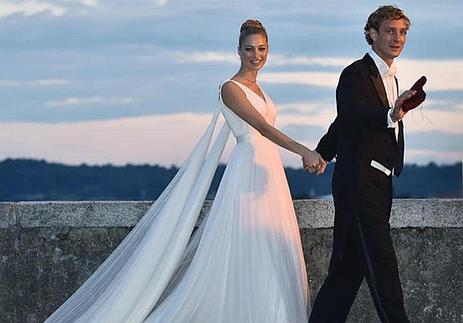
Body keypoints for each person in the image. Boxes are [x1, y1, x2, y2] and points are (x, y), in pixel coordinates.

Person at [46, 20, 321, 323]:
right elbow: (262, 128)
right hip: (247, 171)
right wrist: (303, 151)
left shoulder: (260, 88)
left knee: (272, 249)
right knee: (250, 248)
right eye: (249, 49)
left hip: (269, 173)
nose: (256, 55)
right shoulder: (231, 89)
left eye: (262, 49)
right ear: (238, 51)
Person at [309, 5, 416, 323]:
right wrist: (390, 114)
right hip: (359, 186)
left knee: (346, 272)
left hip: (379, 185)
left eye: (402, 32)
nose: (397, 38)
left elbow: (343, 123)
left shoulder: (390, 78)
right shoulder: (355, 73)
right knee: (384, 270)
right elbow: (354, 115)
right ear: (372, 34)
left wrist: (322, 152)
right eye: (389, 31)